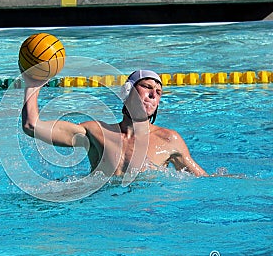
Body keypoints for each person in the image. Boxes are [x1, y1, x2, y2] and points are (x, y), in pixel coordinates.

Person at [22, 69, 207, 177]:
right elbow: (32, 126)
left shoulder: (169, 140)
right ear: (127, 92)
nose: (153, 95)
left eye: (158, 93)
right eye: (147, 87)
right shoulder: (96, 132)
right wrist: (32, 82)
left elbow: (204, 181)